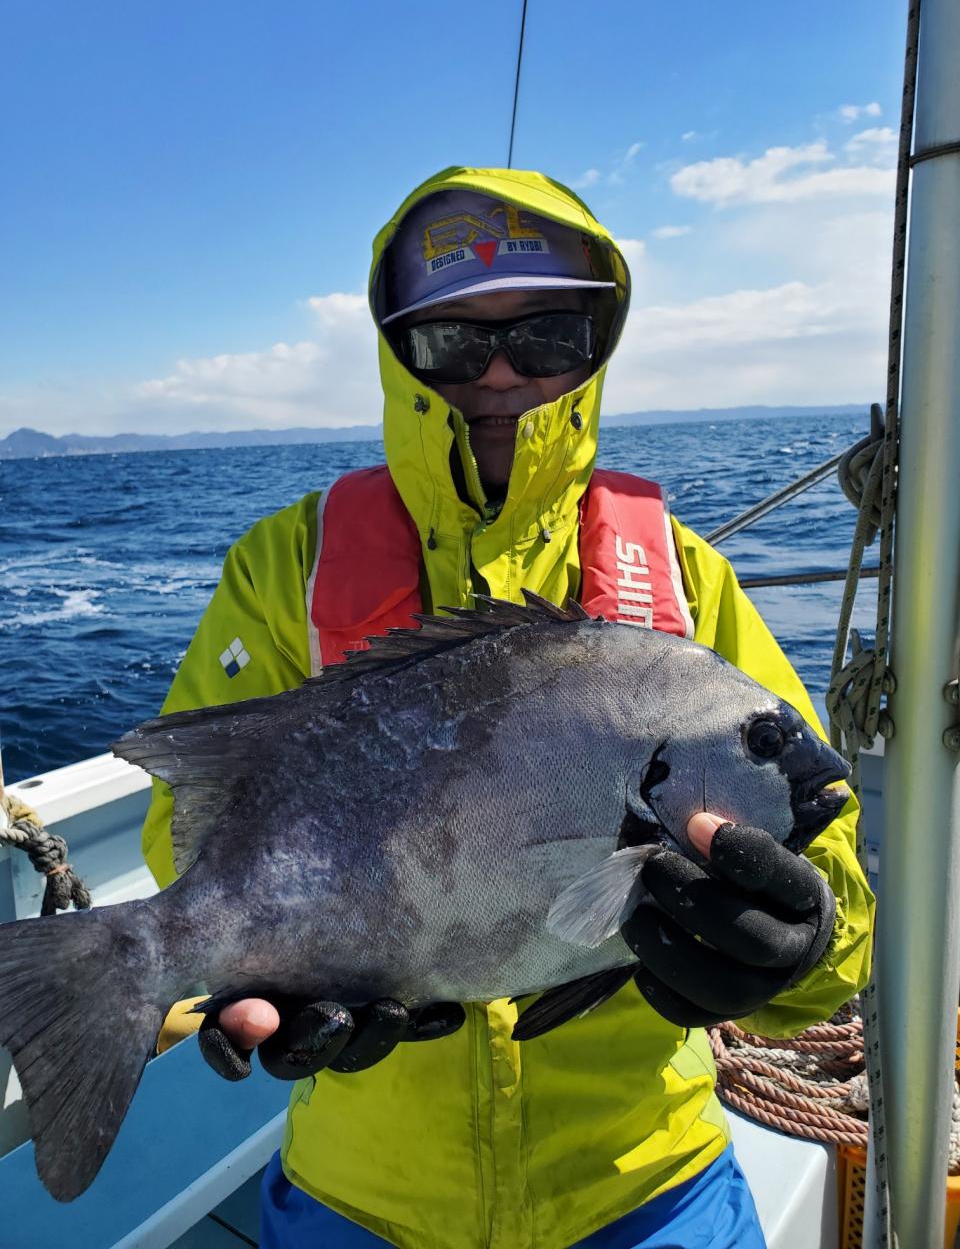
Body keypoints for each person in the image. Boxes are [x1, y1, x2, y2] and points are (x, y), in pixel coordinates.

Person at [141, 166, 874, 1248]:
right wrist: (264, 956)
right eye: (449, 341)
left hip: (650, 1184)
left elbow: (832, 877)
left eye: (547, 336)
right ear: (396, 351)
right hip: (363, 1193)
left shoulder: (686, 579)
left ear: (598, 344)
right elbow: (194, 826)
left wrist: (801, 943)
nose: (497, 375)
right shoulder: (285, 565)